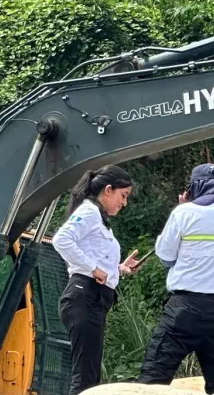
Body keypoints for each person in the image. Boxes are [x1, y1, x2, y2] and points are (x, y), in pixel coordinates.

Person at [137, 164, 214, 394]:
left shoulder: (185, 213)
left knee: (154, 377)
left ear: (194, 187)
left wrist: (185, 208)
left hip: (185, 309)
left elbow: (165, 256)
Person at [52, 166, 142, 395]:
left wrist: (120, 269)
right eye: (124, 196)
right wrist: (94, 269)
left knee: (89, 374)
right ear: (108, 190)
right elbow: (61, 240)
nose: (124, 203)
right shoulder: (90, 211)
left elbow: (96, 260)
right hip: (85, 296)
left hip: (91, 298)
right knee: (86, 376)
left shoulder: (98, 218)